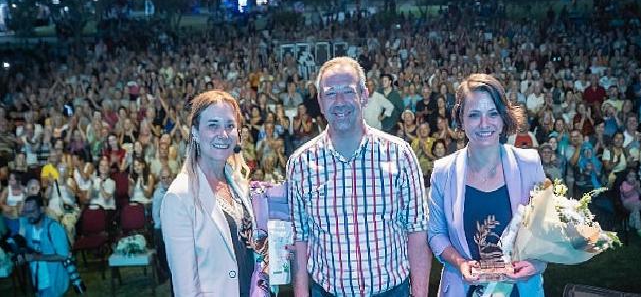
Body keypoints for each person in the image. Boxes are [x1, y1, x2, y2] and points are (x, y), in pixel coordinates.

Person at [288, 57, 431, 297]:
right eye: (331, 94)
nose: (340, 101)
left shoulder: (399, 154)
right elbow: (300, 240)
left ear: (364, 95)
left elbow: (417, 232)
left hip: (391, 291)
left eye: (348, 91)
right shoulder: (301, 163)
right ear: (321, 103)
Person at [428, 73, 546, 296]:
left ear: (503, 118)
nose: (484, 124)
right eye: (474, 115)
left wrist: (537, 265)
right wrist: (460, 262)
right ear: (461, 120)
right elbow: (436, 234)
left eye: (493, 113)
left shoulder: (529, 164)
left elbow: (545, 232)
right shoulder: (443, 171)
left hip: (520, 290)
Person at [161, 90, 256, 296]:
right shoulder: (179, 197)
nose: (223, 134)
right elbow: (186, 288)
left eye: (230, 126)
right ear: (195, 132)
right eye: (213, 125)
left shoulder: (237, 183)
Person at [19, 195, 70, 296]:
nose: (29, 215)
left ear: (42, 209)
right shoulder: (29, 228)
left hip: (52, 280)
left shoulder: (54, 228)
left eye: (32, 211)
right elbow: (31, 250)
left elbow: (63, 255)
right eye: (27, 212)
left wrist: (36, 257)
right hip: (37, 279)